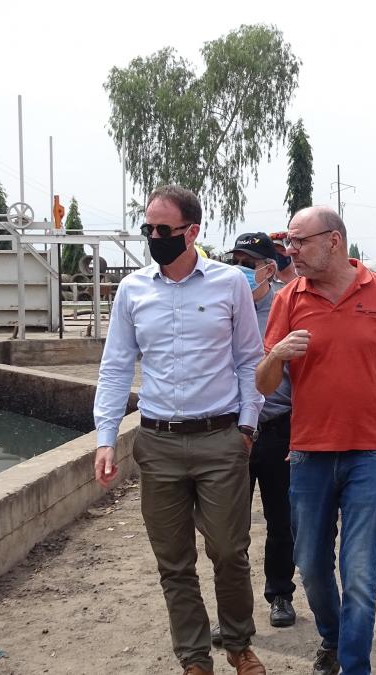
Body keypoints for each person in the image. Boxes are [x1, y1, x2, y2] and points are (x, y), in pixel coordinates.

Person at [93, 185, 268, 675]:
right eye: (147, 228)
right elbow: (114, 368)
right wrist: (105, 439)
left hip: (220, 439)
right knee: (173, 561)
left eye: (163, 230)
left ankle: (237, 643)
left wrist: (246, 427)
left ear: (192, 232)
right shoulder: (133, 291)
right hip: (158, 442)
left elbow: (248, 361)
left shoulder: (230, 283)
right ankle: (194, 658)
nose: (153, 237)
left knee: (230, 551)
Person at [256, 206, 376, 675]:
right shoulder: (288, 300)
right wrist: (277, 354)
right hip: (309, 454)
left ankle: (354, 665)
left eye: (298, 241)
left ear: (333, 241)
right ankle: (333, 638)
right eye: (288, 243)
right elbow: (262, 383)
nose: (290, 251)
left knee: (359, 574)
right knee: (312, 566)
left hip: (370, 454)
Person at [201, 233, 298, 644]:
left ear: (269, 267)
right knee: (228, 530)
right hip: (229, 432)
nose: (240, 267)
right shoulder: (217, 301)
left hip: (276, 428)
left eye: (249, 261)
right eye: (235, 259)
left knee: (281, 520)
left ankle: (280, 594)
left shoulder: (288, 304)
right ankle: (233, 614)